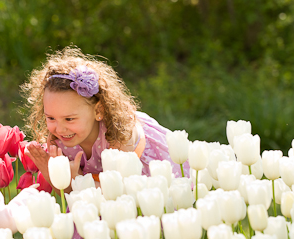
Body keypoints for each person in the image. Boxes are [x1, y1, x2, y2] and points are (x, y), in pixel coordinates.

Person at [22, 46, 187, 185]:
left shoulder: (121, 133)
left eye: (69, 119)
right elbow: (70, 193)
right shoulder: (57, 142)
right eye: (50, 118)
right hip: (96, 198)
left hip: (142, 181)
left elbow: (120, 190)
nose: (59, 128)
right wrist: (54, 175)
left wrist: (77, 180)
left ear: (98, 111)